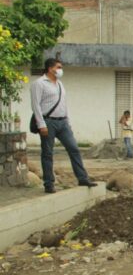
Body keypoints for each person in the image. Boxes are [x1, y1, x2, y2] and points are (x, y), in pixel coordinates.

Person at [30, 58, 97, 194]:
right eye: (58, 67)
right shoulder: (39, 83)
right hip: (48, 122)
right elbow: (35, 105)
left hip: (63, 122)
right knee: (48, 153)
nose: (61, 70)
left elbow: (63, 104)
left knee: (74, 149)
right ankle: (49, 184)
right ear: (50, 68)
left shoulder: (60, 84)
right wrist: (41, 124)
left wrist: (68, 121)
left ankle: (82, 178)